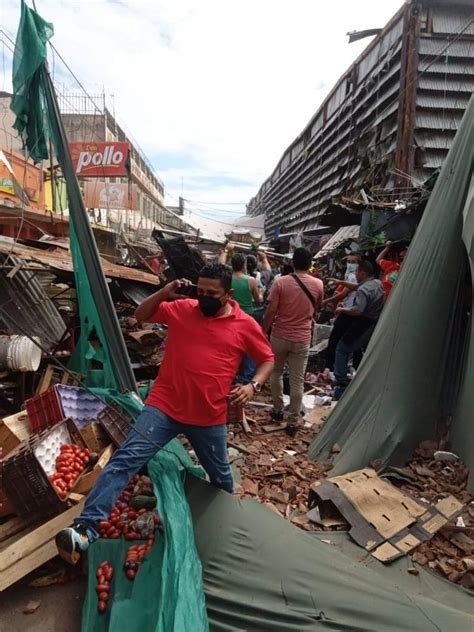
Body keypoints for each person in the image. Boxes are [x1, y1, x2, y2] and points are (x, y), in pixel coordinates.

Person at [56, 264, 274, 564]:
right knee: (125, 460)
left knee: (221, 476)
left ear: (228, 294)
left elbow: (267, 359)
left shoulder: (245, 324)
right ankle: (84, 529)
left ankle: (225, 530)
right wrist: (163, 292)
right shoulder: (183, 308)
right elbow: (141, 315)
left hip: (208, 416)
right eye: (200, 291)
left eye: (212, 294)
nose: (204, 298)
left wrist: (253, 386)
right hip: (164, 407)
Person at [262, 247, 324, 435]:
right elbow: (318, 309)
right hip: (302, 338)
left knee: (276, 372)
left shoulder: (281, 282)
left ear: (292, 263)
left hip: (279, 335)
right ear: (310, 264)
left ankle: (278, 410)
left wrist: (263, 330)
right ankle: (293, 421)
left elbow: (271, 310)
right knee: (297, 380)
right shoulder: (318, 284)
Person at [333, 260, 384, 400]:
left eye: (356, 271)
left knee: (342, 348)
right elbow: (356, 286)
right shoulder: (377, 284)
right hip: (375, 322)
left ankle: (341, 383)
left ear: (362, 272)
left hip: (363, 323)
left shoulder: (363, 290)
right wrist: (342, 282)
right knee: (361, 350)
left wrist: (342, 309)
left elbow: (357, 311)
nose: (354, 274)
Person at [322, 254, 361, 371]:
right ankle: (354, 366)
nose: (350, 264)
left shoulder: (353, 277)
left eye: (353, 262)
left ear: (359, 264)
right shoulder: (350, 276)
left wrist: (325, 301)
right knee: (353, 341)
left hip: (349, 312)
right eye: (349, 261)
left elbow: (343, 294)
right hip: (351, 311)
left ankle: (330, 368)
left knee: (334, 340)